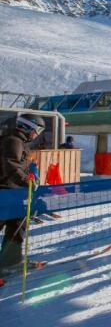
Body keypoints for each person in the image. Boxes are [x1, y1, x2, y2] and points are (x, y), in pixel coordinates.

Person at [0, 113, 46, 268]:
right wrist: (29, 183)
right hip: (5, 193)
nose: (36, 135)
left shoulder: (17, 141)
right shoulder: (14, 141)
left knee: (17, 225)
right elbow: (12, 166)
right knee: (15, 224)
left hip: (12, 193)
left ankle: (10, 262)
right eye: (37, 130)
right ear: (28, 127)